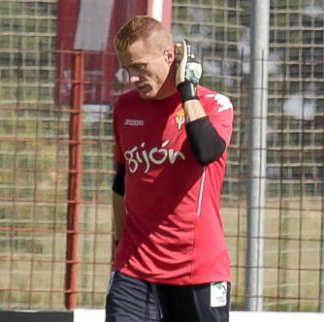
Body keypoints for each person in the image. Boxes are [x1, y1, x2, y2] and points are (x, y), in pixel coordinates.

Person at [106, 16, 234, 322]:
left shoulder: (214, 104)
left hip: (197, 270)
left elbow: (207, 152)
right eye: (127, 69)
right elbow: (122, 182)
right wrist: (119, 246)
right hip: (134, 268)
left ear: (168, 57)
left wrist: (187, 89)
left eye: (139, 67)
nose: (133, 78)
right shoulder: (125, 108)